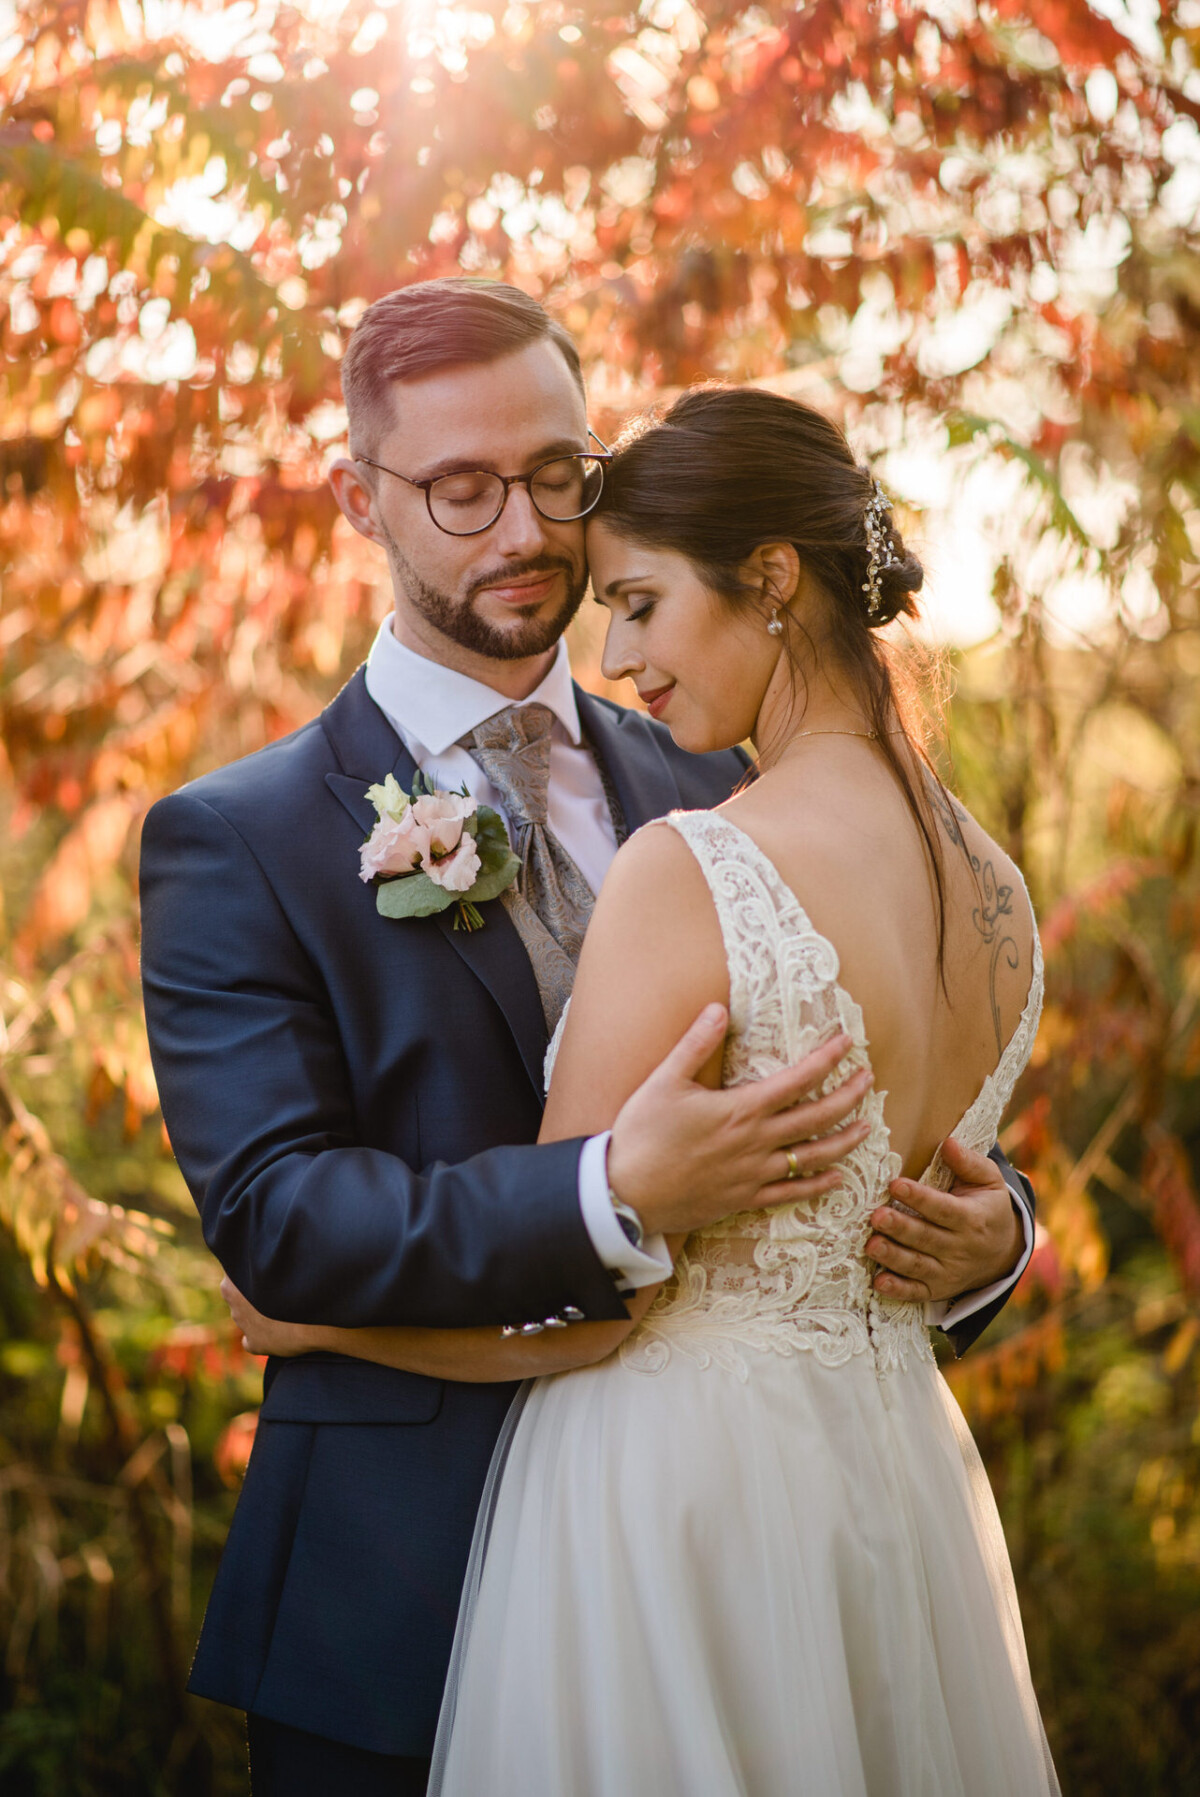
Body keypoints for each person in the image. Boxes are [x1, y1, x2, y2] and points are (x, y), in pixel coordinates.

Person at [142, 281, 1035, 1795]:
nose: (526, 530)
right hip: (392, 1594)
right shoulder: (241, 837)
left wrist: (994, 1229)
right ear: (361, 499)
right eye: (462, 488)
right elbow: (277, 1215)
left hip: (746, 1562)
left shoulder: (716, 770)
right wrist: (604, 1193)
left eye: (558, 473)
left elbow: (880, 1089)